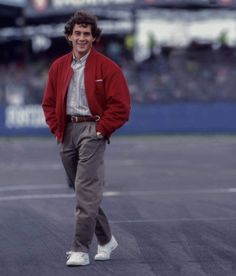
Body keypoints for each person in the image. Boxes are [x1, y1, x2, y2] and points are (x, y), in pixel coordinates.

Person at [42, 11, 130, 266]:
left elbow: (121, 106)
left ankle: (79, 248)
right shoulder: (58, 66)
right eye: (77, 33)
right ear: (69, 36)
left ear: (94, 38)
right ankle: (107, 239)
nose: (82, 38)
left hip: (93, 130)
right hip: (66, 131)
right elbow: (48, 102)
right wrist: (55, 128)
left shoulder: (108, 67)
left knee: (86, 190)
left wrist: (101, 130)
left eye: (87, 34)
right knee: (82, 191)